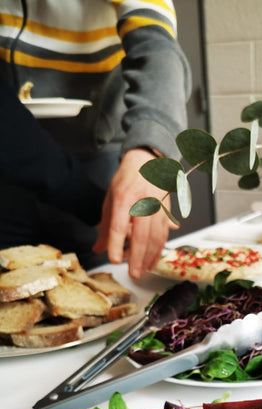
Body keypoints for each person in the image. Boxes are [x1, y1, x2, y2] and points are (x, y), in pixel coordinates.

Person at [0, 0, 191, 277]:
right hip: (9, 168)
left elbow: (156, 48)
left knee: (112, 283)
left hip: (97, 161)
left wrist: (150, 150)